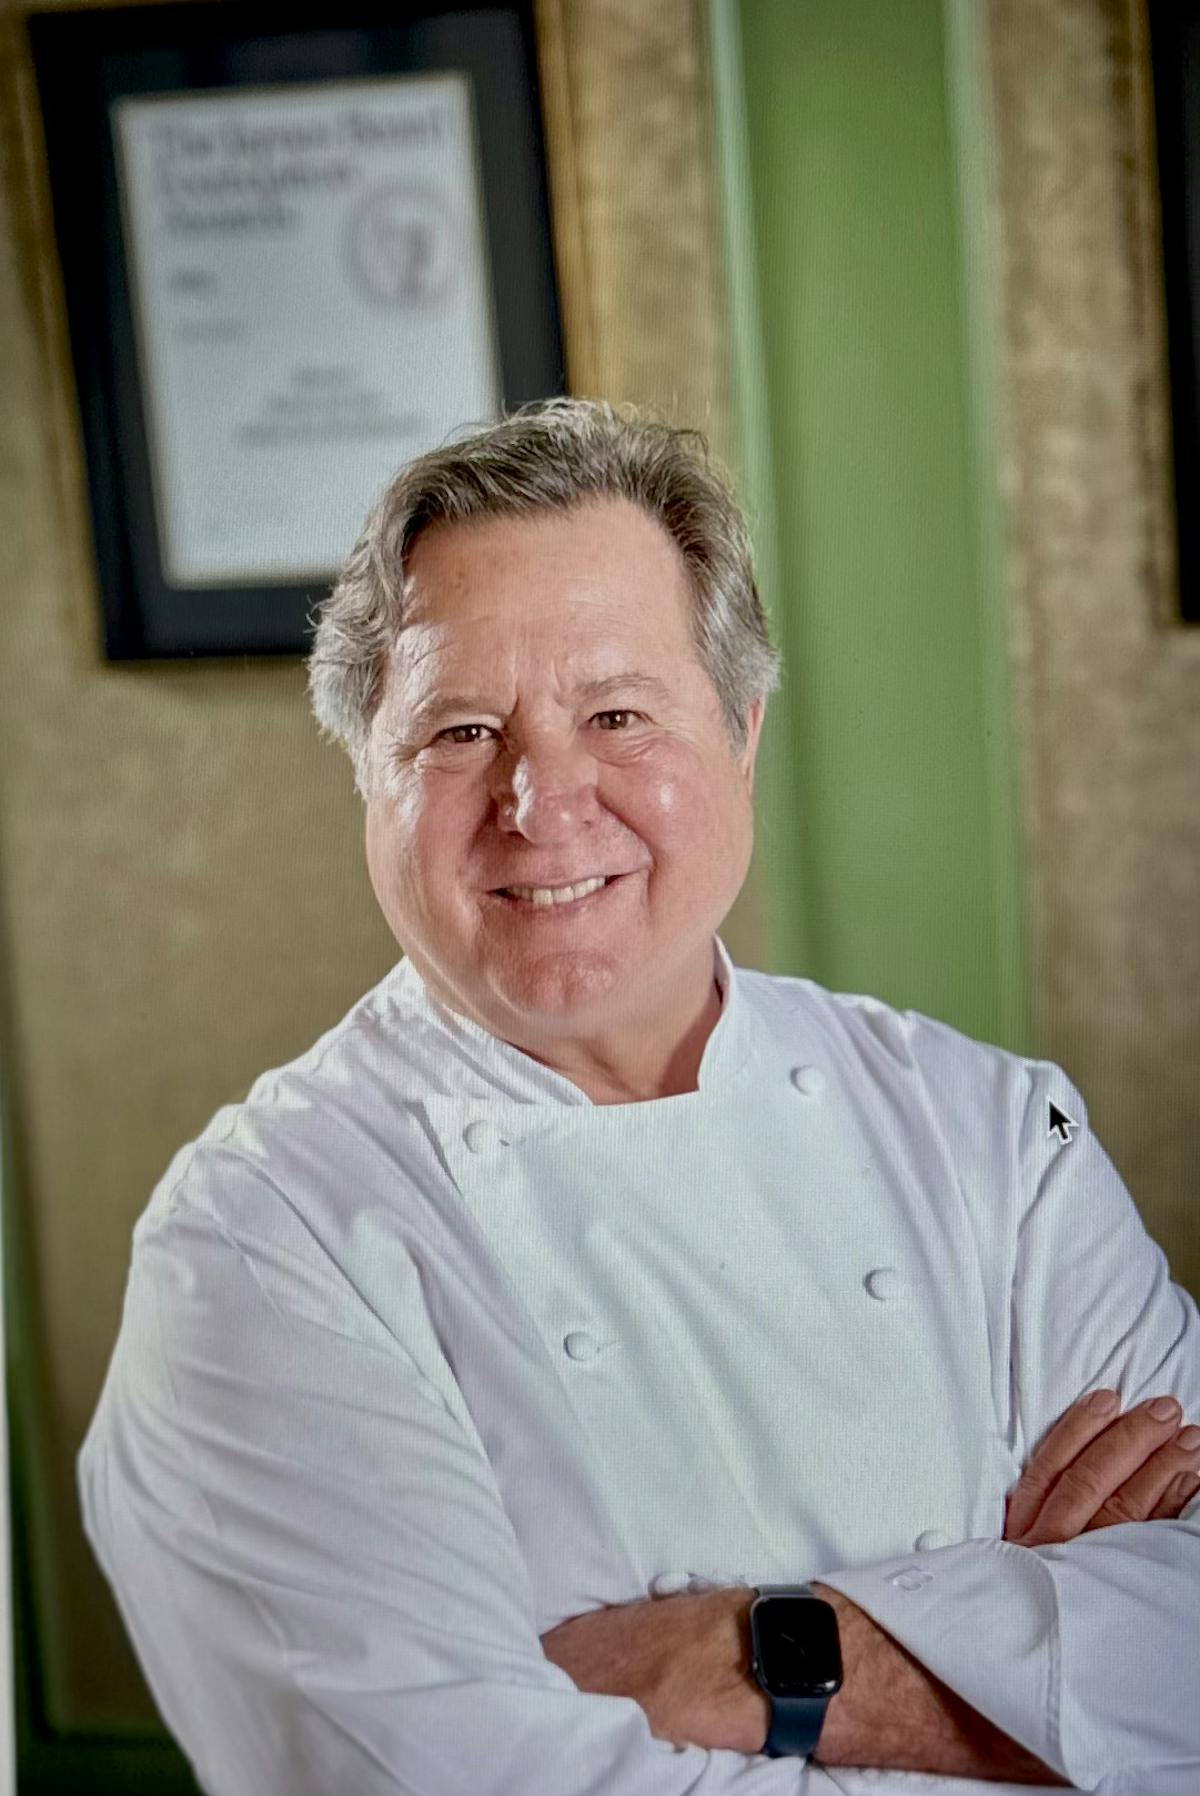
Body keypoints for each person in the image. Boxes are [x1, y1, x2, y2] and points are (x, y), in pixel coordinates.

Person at [79, 399, 1200, 1795]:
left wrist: (740, 1661)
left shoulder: (990, 1136)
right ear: (365, 766)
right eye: (461, 732)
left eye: (617, 713)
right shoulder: (260, 1244)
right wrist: (1037, 1693)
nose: (541, 801)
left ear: (740, 727)